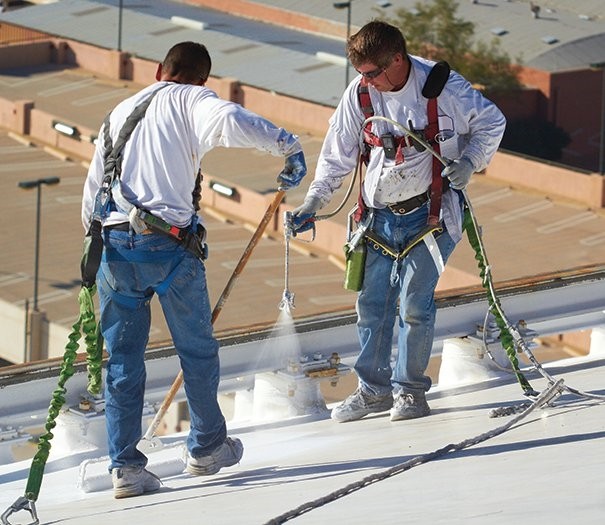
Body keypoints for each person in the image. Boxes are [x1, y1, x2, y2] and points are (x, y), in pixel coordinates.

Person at [82, 41, 307, 498]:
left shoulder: (119, 112)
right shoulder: (194, 101)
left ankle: (124, 467)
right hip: (168, 249)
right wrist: (289, 146)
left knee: (123, 362)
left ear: (159, 69)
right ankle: (206, 447)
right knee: (197, 352)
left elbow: (94, 189)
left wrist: (93, 259)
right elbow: (230, 122)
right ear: (203, 80)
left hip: (111, 248)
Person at [291, 20, 505, 423]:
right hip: (377, 219)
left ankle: (410, 392)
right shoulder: (360, 94)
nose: (367, 82)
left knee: (414, 306)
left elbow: (492, 122)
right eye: (361, 74)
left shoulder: (441, 89)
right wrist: (314, 200)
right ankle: (373, 391)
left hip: (430, 216)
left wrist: (470, 162)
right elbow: (337, 153)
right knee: (371, 307)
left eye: (373, 73)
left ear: (397, 59)